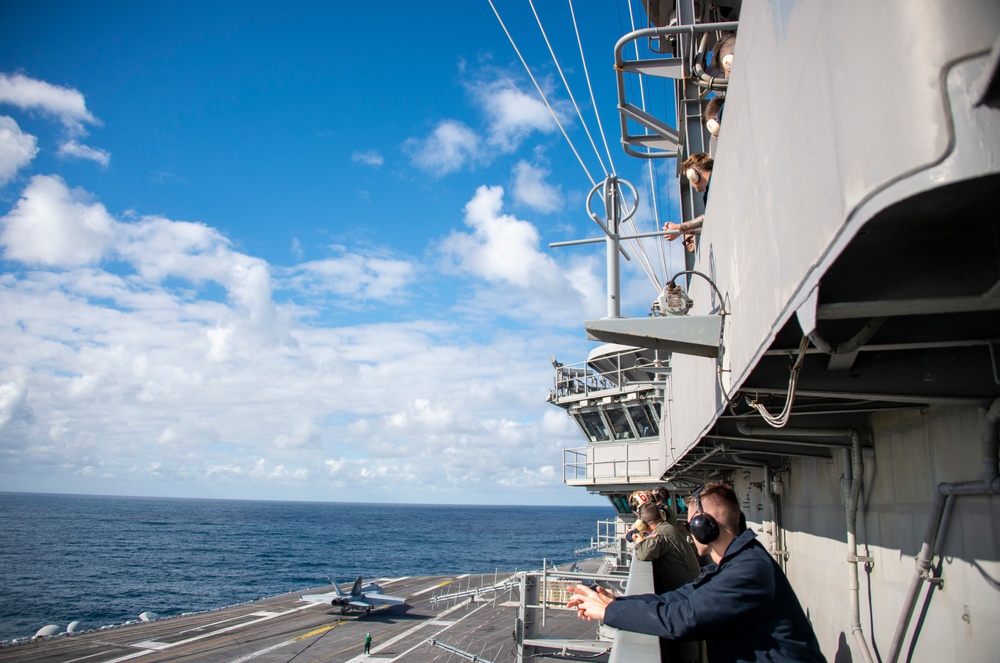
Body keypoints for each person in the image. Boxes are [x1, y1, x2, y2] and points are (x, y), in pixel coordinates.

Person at [567, 483, 826, 663]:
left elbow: (683, 618)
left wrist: (609, 612)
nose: (690, 530)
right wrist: (617, 602)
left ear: (705, 528)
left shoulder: (747, 571)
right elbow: (680, 598)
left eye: (692, 525)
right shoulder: (738, 562)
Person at [634, 502, 704, 663]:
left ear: (643, 524)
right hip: (689, 590)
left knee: (689, 649)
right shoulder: (667, 528)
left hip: (685, 596)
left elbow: (643, 554)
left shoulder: (662, 534)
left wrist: (639, 540)